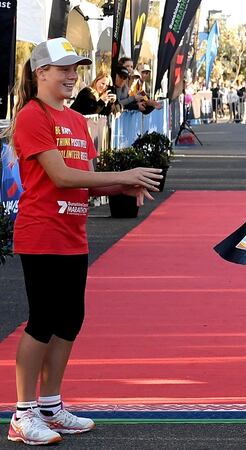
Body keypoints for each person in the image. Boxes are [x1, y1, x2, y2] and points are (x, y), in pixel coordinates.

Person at [1, 38, 162, 447]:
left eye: (76, 69)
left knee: (69, 320)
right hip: (41, 234)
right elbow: (62, 178)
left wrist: (123, 187)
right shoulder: (31, 117)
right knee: (42, 321)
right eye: (64, 69)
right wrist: (124, 176)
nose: (73, 76)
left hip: (73, 236)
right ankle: (23, 414)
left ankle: (51, 406)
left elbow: (86, 186)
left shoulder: (76, 121)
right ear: (41, 73)